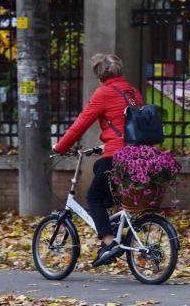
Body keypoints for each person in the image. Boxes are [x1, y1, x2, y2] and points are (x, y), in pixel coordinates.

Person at [53, 53, 143, 267]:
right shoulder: (133, 92)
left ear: (99, 75)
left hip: (117, 154)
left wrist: (60, 147)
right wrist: (105, 145)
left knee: (93, 196)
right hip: (136, 153)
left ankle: (109, 242)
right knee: (98, 167)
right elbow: (128, 125)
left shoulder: (103, 93)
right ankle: (113, 220)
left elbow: (81, 124)